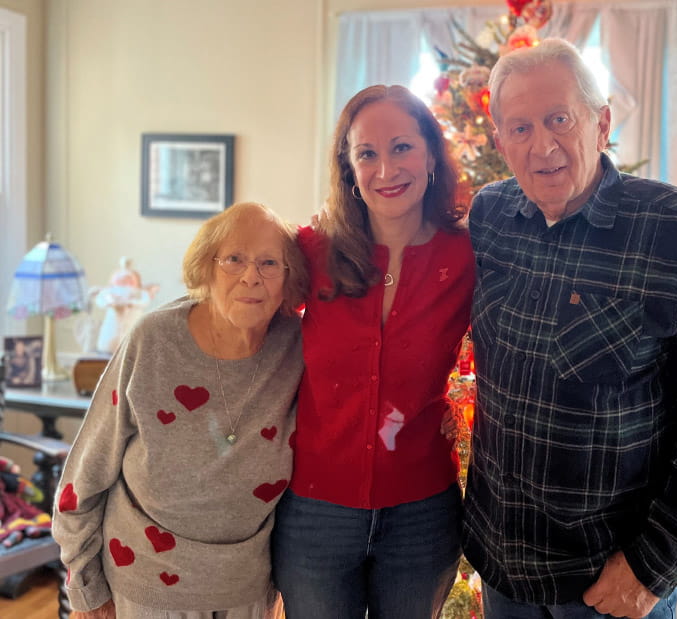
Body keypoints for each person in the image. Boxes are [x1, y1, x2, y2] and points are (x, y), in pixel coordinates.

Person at [463, 39, 677, 619]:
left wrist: (654, 564)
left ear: (601, 123)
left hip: (607, 582)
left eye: (559, 119)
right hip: (502, 568)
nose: (542, 146)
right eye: (520, 128)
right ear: (499, 142)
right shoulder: (489, 216)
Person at [271, 84, 475, 618]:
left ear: (430, 154)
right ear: (349, 168)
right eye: (367, 153)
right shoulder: (310, 250)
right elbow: (244, 314)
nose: (386, 169)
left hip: (421, 513)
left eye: (402, 147)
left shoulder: (467, 254)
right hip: (314, 510)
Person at [52, 202, 307, 619]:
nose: (251, 276)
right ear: (207, 266)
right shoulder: (153, 340)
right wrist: (84, 586)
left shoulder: (298, 345)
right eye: (234, 259)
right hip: (144, 582)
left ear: (289, 278)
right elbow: (86, 471)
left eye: (269, 263)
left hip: (245, 584)